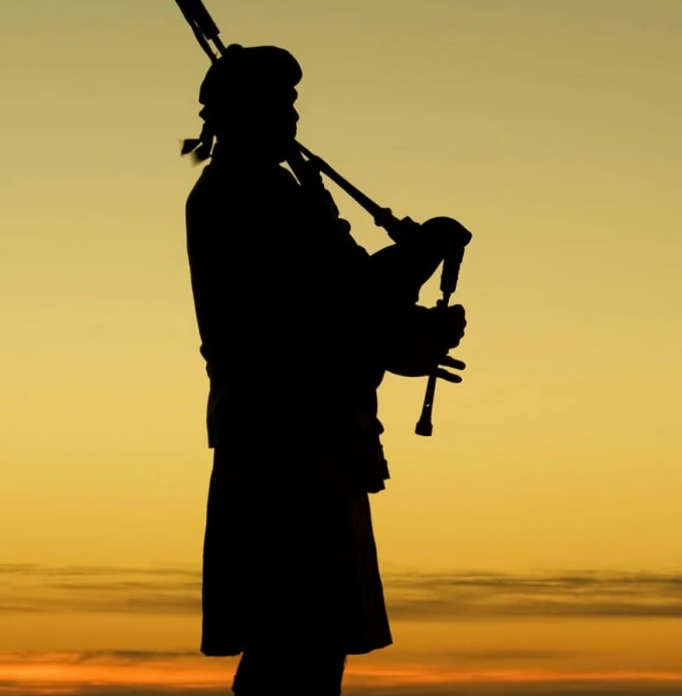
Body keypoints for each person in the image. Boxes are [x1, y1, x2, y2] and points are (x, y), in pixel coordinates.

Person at [182, 44, 468, 695]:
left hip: (296, 438)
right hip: (288, 446)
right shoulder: (249, 194)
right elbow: (341, 301)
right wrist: (422, 253)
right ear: (241, 114)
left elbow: (326, 317)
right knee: (298, 644)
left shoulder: (258, 191)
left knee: (302, 644)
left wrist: (405, 337)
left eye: (292, 103)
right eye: (280, 103)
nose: (291, 117)